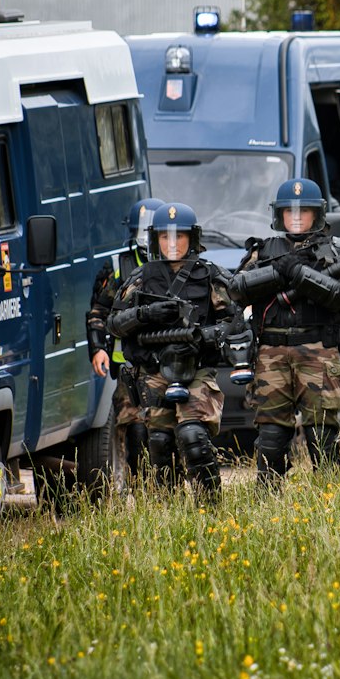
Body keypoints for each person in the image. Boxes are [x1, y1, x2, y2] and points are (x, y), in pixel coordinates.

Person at [228, 178, 340, 490]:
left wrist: (300, 273)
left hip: (318, 350)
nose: (296, 218)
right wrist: (278, 271)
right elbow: (236, 288)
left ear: (317, 215)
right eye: (290, 212)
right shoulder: (264, 251)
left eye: (304, 212)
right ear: (280, 216)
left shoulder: (335, 248)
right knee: (271, 438)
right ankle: (268, 508)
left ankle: (332, 507)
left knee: (321, 435)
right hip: (271, 353)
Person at [107, 201, 242, 498]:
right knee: (158, 442)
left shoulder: (209, 275)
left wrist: (207, 335)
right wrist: (144, 315)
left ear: (191, 239)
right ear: (156, 240)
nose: (172, 243)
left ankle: (210, 504)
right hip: (154, 370)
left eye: (178, 236)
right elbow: (114, 323)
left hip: (195, 369)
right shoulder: (142, 277)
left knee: (192, 436)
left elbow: (235, 319)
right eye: (165, 237)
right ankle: (170, 512)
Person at [86, 196, 164, 480]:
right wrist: (98, 348)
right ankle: (141, 492)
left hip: (169, 363)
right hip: (130, 366)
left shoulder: (178, 266)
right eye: (140, 231)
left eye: (150, 231)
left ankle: (172, 494)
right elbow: (98, 312)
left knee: (169, 433)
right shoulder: (119, 265)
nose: (145, 238)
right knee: (137, 433)